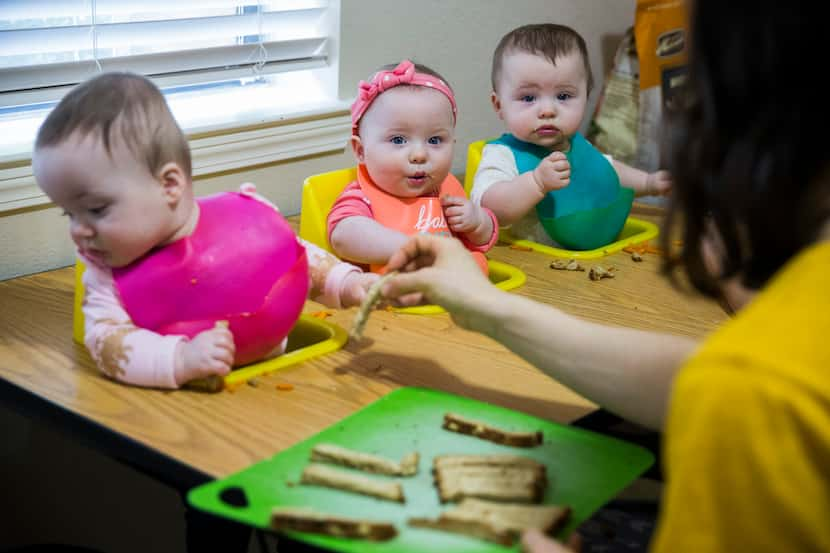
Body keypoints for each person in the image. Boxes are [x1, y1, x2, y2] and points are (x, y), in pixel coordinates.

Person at [381, 1, 830, 550]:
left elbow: (732, 388)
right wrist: (490, 307)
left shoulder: (755, 395)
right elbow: (696, 380)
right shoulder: (772, 354)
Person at [32, 72, 377, 390]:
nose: (78, 231)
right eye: (69, 214)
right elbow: (107, 343)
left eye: (95, 210)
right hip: (192, 408)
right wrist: (179, 359)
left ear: (168, 185)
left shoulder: (244, 217)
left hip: (280, 382)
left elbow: (294, 256)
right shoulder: (106, 276)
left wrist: (345, 283)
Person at [472, 23, 672, 250]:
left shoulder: (577, 143)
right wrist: (536, 183)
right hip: (537, 267)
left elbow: (607, 169)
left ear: (586, 97)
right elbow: (490, 208)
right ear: (499, 106)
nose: (547, 110)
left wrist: (648, 182)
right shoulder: (502, 154)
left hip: (596, 254)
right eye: (528, 98)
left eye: (563, 95)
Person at [327, 60, 498, 274]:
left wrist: (478, 222)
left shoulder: (446, 193)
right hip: (392, 297)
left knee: (478, 261)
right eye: (398, 140)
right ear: (361, 151)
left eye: (435, 140)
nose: (419, 155)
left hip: (454, 294)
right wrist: (409, 249)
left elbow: (479, 243)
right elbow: (344, 236)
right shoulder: (362, 196)